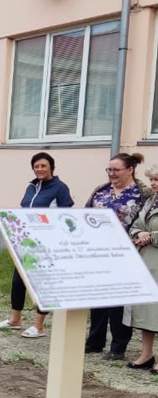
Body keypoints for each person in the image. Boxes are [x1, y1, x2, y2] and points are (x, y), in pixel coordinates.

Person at [0, 153, 73, 338]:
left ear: (51, 167)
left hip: (47, 244)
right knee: (18, 281)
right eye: (36, 166)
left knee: (43, 284)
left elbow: (65, 216)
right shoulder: (31, 187)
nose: (40, 169)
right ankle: (15, 320)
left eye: (43, 166)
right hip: (26, 241)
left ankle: (39, 325)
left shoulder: (60, 188)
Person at [85, 153, 152, 360]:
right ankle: (94, 342)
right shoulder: (102, 191)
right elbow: (86, 214)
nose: (112, 174)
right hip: (99, 252)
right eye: (109, 170)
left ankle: (118, 347)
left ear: (130, 169)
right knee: (98, 300)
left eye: (116, 170)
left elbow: (145, 222)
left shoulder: (143, 193)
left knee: (118, 302)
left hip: (127, 253)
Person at [126, 163, 158, 374]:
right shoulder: (151, 201)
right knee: (147, 309)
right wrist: (138, 234)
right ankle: (146, 354)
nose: (154, 184)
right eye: (152, 180)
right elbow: (137, 224)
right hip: (147, 260)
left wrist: (152, 237)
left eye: (157, 180)